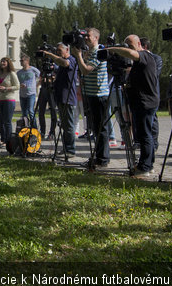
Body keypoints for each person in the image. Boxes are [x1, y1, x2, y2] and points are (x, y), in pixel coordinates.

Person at [107, 35, 159, 177]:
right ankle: (148, 163)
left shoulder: (144, 56)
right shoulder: (138, 61)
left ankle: (145, 166)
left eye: (130, 45)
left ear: (139, 44)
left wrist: (113, 49)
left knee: (145, 135)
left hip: (145, 102)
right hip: (140, 102)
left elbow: (131, 53)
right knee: (143, 134)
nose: (128, 48)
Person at [71, 28, 111, 167]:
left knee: (101, 128)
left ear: (96, 38)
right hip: (90, 94)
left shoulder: (99, 52)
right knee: (95, 128)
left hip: (99, 95)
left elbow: (86, 70)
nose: (85, 38)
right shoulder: (90, 52)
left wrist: (79, 56)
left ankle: (103, 158)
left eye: (88, 36)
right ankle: (99, 156)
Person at [42, 43, 79, 156]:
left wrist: (50, 55)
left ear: (67, 49)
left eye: (59, 50)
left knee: (69, 126)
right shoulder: (61, 62)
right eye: (56, 51)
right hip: (60, 97)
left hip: (68, 97)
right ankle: (66, 148)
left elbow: (65, 63)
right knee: (64, 125)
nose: (58, 53)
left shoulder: (71, 59)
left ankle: (70, 150)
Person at [140, 37, 162, 152]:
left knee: (152, 121)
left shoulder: (156, 58)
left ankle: (154, 143)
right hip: (141, 95)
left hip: (152, 94)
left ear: (144, 47)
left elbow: (153, 74)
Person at [0, 57, 20, 145]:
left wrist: (6, 88)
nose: (2, 63)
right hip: (0, 99)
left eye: (4, 62)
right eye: (1, 61)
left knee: (7, 121)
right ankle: (2, 139)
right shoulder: (0, 74)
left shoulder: (11, 73)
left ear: (8, 63)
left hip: (9, 99)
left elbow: (17, 86)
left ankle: (8, 141)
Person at [36, 60, 58, 139]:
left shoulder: (55, 68)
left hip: (52, 91)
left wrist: (51, 80)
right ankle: (42, 132)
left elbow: (57, 79)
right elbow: (40, 78)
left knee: (53, 111)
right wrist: (41, 81)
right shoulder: (43, 68)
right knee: (41, 112)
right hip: (44, 89)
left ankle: (52, 132)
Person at [16, 55, 41, 127]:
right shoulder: (19, 72)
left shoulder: (33, 70)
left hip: (31, 94)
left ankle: (34, 128)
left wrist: (36, 85)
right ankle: (25, 127)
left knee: (31, 111)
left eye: (22, 60)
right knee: (24, 113)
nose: (21, 62)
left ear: (27, 61)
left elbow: (41, 77)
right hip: (22, 94)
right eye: (20, 61)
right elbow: (17, 83)